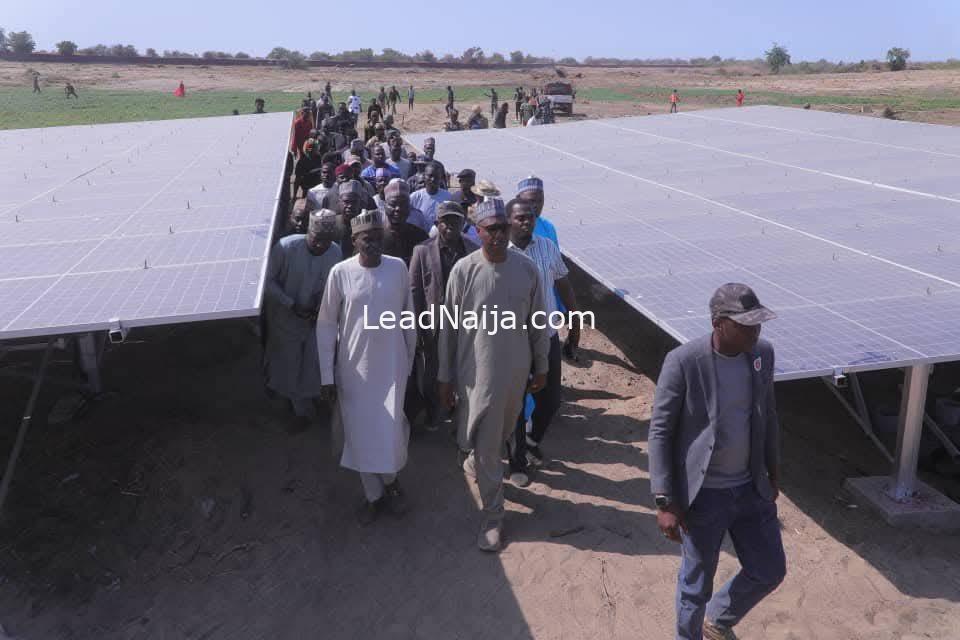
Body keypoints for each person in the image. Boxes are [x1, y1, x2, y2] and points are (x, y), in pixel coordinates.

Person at [648, 283, 785, 640]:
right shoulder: (683, 362)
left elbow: (767, 416)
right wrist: (665, 499)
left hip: (750, 487)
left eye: (758, 323)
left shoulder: (762, 355)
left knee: (769, 569)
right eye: (746, 324)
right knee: (695, 586)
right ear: (718, 323)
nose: (755, 331)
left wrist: (772, 472)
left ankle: (719, 617)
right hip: (703, 494)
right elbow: (660, 432)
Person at [437, 198, 549, 552]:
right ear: (478, 232)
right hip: (477, 377)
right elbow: (448, 330)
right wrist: (445, 376)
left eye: (503, 228)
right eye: (492, 230)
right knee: (488, 446)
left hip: (516, 375)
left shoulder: (527, 269)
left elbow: (538, 323)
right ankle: (493, 517)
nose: (499, 235)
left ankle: (473, 459)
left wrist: (542, 365)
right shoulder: (463, 271)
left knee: (501, 434)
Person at [316, 210, 416, 524]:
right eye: (364, 238)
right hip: (353, 371)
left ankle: (392, 482)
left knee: (389, 430)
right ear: (354, 240)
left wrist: (409, 363)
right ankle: (375, 497)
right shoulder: (340, 273)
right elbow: (326, 325)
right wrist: (326, 375)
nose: (371, 242)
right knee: (359, 434)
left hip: (392, 368)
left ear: (383, 237)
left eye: (376, 236)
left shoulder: (398, 268)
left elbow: (408, 318)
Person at [505, 199, 581, 481]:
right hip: (514, 341)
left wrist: (575, 320)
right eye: (520, 218)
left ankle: (532, 439)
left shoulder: (547, 247)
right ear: (508, 220)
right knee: (515, 402)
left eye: (530, 217)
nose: (527, 222)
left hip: (546, 337)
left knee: (549, 399)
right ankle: (517, 463)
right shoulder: (502, 254)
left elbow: (563, 282)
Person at [264, 209, 342, 427]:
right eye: (317, 240)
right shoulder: (286, 247)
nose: (321, 246)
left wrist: (320, 307)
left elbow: (333, 285)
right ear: (308, 232)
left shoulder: (335, 252)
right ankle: (294, 408)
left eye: (326, 241)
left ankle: (306, 403)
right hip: (284, 317)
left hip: (314, 320)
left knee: (311, 363)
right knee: (287, 363)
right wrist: (291, 304)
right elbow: (267, 282)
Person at [408, 201, 479, 428]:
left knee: (465, 369)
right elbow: (415, 291)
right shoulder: (422, 251)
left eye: (455, 222)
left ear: (463, 223)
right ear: (437, 224)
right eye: (445, 222)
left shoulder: (473, 251)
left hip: (465, 323)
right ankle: (434, 412)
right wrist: (417, 326)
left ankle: (459, 414)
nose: (449, 227)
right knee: (433, 373)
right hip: (434, 325)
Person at [382, 185, 429, 265]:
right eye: (393, 204)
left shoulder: (421, 237)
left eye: (403, 204)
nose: (398, 209)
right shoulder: (374, 237)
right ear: (385, 206)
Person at [410, 163, 452, 230]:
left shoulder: (448, 197)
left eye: (436, 176)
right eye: (430, 176)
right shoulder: (414, 197)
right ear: (424, 176)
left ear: (441, 178)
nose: (433, 179)